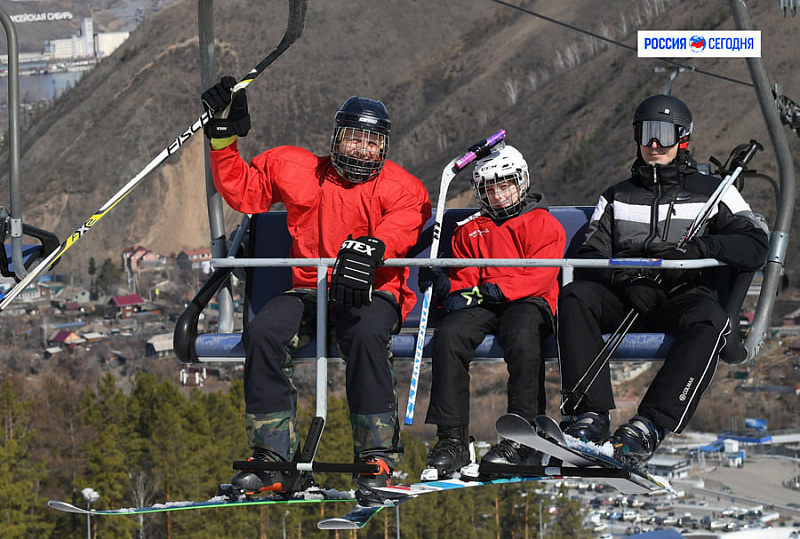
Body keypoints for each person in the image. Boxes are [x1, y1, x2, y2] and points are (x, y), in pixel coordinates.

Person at [201, 77, 432, 503]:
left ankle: (376, 456)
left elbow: (404, 225)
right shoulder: (299, 170)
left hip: (372, 290)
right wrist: (222, 137)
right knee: (264, 333)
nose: (361, 150)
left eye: (372, 142)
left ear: (384, 147)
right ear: (336, 139)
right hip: (312, 289)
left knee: (366, 335)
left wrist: (373, 249)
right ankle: (273, 457)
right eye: (353, 139)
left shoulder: (401, 188)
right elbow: (246, 192)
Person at [557, 94, 769, 465]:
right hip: (628, 295)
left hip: (682, 295)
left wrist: (702, 247)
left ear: (682, 138)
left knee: (711, 320)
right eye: (646, 134)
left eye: (664, 134)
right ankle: (588, 415)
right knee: (576, 296)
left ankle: (649, 426)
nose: (654, 144)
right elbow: (590, 255)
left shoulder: (713, 193)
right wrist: (627, 282)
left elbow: (755, 245)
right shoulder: (618, 195)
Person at [419, 144, 566, 478]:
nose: (498, 194)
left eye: (505, 185)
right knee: (450, 335)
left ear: (521, 182)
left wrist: (498, 289)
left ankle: (524, 437)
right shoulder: (470, 230)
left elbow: (541, 275)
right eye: (489, 188)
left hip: (529, 301)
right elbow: (467, 280)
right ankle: (452, 439)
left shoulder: (542, 223)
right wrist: (445, 287)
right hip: (486, 301)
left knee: (521, 334)